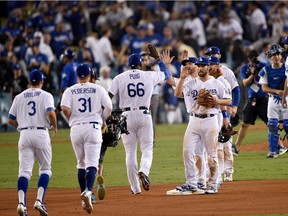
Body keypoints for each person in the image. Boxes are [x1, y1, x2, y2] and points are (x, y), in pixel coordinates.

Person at [108, 49, 170, 195]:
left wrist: (107, 115)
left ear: (128, 65)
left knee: (130, 152)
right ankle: (144, 170)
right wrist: (158, 59)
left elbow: (107, 97)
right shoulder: (148, 75)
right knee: (147, 148)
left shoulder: (119, 77)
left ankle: (135, 189)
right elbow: (166, 74)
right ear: (140, 64)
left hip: (126, 116)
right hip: (144, 114)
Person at [174, 57, 231, 194]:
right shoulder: (191, 83)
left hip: (210, 120)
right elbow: (177, 94)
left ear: (208, 67)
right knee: (187, 152)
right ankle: (191, 183)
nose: (200, 68)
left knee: (211, 155)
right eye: (198, 66)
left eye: (203, 66)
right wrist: (182, 78)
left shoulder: (216, 83)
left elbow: (228, 101)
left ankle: (212, 184)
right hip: (193, 121)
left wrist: (217, 100)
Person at [61, 64, 112, 213]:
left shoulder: (70, 90)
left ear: (77, 76)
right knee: (92, 163)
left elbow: (64, 108)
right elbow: (108, 106)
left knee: (81, 163)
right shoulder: (98, 88)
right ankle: (89, 192)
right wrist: (102, 120)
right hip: (93, 127)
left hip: (76, 128)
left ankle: (84, 192)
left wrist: (72, 120)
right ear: (90, 75)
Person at [8, 69, 57, 216]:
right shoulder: (46, 95)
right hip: (41, 133)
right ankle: (39, 201)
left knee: (24, 172)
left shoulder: (19, 96)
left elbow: (10, 118)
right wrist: (54, 126)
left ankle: (21, 204)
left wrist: (22, 128)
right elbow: (50, 112)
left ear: (29, 82)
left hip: (24, 134)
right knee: (45, 169)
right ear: (41, 81)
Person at [205, 46, 240, 182]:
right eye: (209, 62)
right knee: (217, 145)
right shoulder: (207, 77)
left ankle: (228, 171)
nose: (210, 66)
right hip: (213, 114)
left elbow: (232, 94)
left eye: (212, 63)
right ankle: (218, 172)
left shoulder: (225, 77)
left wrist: (230, 111)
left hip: (223, 112)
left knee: (225, 143)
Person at [232, 50, 268, 154]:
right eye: (253, 59)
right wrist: (252, 74)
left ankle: (279, 146)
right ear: (249, 59)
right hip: (252, 100)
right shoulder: (245, 68)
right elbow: (245, 83)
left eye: (257, 58)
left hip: (263, 99)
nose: (256, 61)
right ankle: (236, 147)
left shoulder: (264, 66)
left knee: (270, 124)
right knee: (244, 124)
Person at [259, 44, 287, 158]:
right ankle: (273, 150)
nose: (277, 56)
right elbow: (264, 88)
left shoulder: (286, 68)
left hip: (287, 99)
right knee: (272, 125)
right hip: (272, 100)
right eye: (274, 55)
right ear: (270, 57)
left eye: (279, 54)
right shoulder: (265, 70)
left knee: (287, 124)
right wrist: (277, 91)